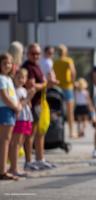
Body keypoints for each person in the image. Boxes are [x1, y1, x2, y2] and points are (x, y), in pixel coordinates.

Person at [22, 43, 54, 171]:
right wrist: (45, 83)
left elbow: (39, 84)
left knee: (40, 133)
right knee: (30, 134)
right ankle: (28, 161)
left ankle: (40, 159)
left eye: (38, 53)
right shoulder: (28, 67)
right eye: (33, 53)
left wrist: (44, 84)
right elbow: (32, 86)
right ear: (27, 54)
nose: (36, 56)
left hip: (39, 103)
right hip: (32, 104)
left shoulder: (36, 66)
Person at [8, 69, 35, 177]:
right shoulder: (14, 90)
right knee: (15, 143)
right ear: (14, 77)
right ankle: (13, 168)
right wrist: (28, 97)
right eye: (18, 77)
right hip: (19, 119)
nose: (20, 80)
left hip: (25, 118)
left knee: (20, 144)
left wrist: (29, 97)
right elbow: (18, 105)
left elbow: (28, 105)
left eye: (23, 77)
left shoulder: (23, 89)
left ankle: (14, 166)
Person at [0, 53, 21, 181]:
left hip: (10, 110)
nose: (7, 65)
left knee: (7, 140)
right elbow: (5, 97)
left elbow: (13, 96)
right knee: (4, 141)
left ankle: (4, 168)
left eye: (9, 63)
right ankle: (2, 171)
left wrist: (17, 106)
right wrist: (15, 107)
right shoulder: (1, 78)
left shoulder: (8, 79)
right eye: (4, 63)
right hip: (5, 110)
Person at [53, 44, 77, 138]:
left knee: (57, 111)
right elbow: (73, 72)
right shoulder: (68, 60)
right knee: (70, 111)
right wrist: (72, 81)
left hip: (58, 87)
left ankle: (58, 130)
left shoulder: (55, 61)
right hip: (67, 87)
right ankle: (71, 132)